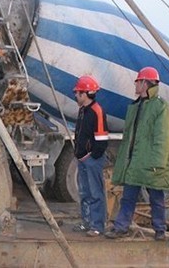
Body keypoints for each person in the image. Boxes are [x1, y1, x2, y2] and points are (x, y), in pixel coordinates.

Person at [104, 67, 169, 241]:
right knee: (128, 198)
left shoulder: (161, 107)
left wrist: (157, 163)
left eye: (137, 81)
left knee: (156, 199)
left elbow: (162, 137)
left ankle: (160, 230)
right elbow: (130, 136)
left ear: (145, 83)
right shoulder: (136, 106)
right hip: (136, 162)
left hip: (150, 164)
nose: (135, 85)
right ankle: (121, 227)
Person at [72, 75, 109, 237]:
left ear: (84, 94)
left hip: (91, 160)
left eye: (77, 93)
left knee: (95, 193)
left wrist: (91, 156)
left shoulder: (96, 111)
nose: (75, 95)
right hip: (83, 159)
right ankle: (86, 222)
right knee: (84, 193)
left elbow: (101, 140)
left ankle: (97, 226)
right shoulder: (83, 110)